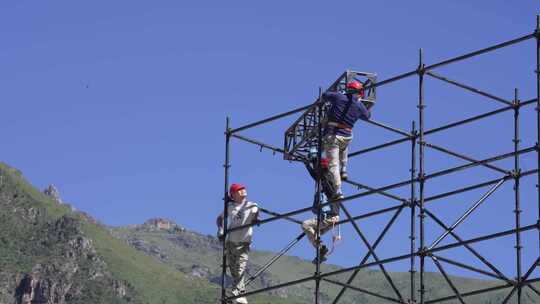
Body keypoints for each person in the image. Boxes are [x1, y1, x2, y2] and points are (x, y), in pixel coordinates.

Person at [322, 80, 373, 196]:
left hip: (333, 135)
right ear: (361, 94)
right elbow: (368, 116)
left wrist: (336, 94)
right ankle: (344, 169)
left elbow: (325, 95)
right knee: (344, 145)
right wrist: (362, 104)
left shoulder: (339, 97)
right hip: (346, 136)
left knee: (333, 164)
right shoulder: (359, 106)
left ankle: (338, 190)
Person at [216, 183, 259, 304]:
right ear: (233, 194)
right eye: (239, 190)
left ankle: (237, 294)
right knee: (234, 271)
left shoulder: (252, 205)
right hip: (230, 242)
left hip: (243, 243)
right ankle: (239, 295)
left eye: (243, 189)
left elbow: (256, 214)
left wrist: (256, 219)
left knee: (240, 268)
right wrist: (220, 229)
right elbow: (220, 218)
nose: (242, 191)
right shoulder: (230, 206)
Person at [301, 157, 341, 264]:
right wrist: (309, 166)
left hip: (329, 218)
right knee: (314, 233)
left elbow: (319, 177)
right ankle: (321, 251)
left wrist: (312, 164)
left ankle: (321, 248)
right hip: (333, 218)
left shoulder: (328, 180)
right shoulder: (329, 179)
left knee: (305, 225)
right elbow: (316, 176)